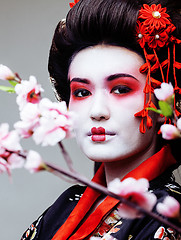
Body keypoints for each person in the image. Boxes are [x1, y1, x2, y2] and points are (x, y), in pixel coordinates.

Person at [21, 0, 181, 239]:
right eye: (82, 92)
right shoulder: (64, 207)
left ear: (163, 104)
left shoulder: (169, 214)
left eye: (121, 89)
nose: (97, 111)